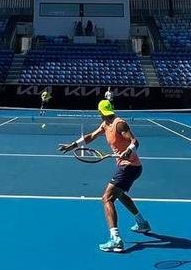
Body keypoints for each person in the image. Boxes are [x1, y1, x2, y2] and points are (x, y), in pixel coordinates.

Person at [58, 99, 150, 252]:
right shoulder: (105, 124)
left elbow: (135, 141)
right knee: (120, 195)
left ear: (100, 112)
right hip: (130, 167)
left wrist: (129, 150)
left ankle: (115, 239)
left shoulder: (119, 124)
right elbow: (91, 136)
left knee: (107, 198)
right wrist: (72, 145)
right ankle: (142, 223)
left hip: (129, 167)